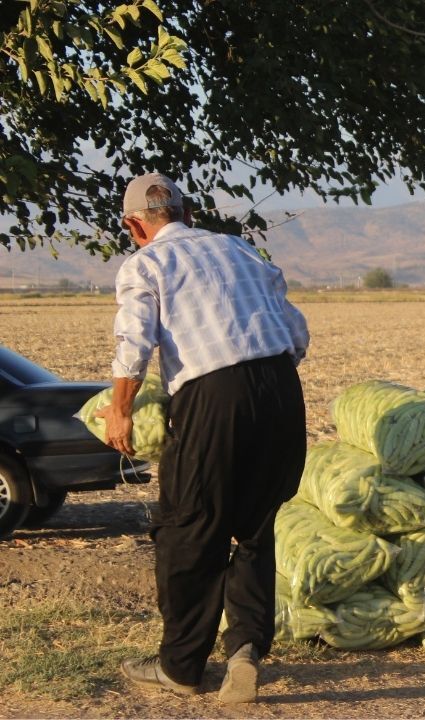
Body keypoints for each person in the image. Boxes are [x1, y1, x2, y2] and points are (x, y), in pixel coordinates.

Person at [99, 172, 310, 703]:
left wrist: (120, 409)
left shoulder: (146, 263)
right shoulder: (240, 250)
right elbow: (296, 331)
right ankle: (244, 650)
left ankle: (182, 666)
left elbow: (134, 340)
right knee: (257, 528)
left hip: (215, 394)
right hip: (281, 389)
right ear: (188, 214)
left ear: (134, 225)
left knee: (189, 527)